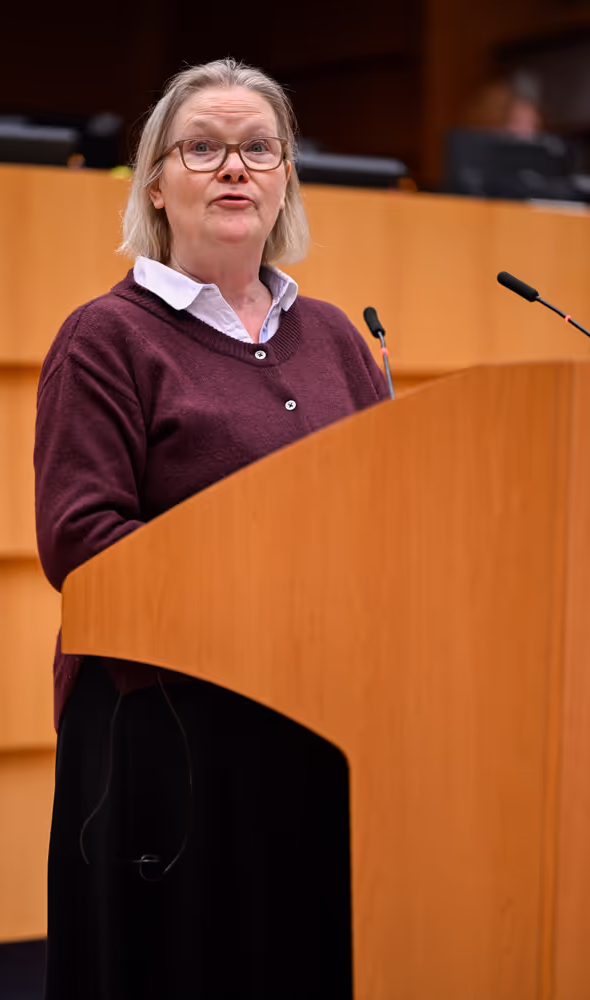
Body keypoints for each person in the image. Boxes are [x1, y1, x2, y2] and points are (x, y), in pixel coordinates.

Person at [34, 57, 390, 1000]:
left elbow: (392, 516)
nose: (234, 168)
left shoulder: (336, 339)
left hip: (318, 719)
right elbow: (82, 537)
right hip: (167, 734)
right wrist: (254, 601)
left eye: (257, 149)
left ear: (283, 182)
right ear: (155, 181)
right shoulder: (106, 338)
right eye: (203, 148)